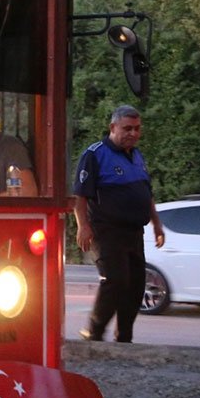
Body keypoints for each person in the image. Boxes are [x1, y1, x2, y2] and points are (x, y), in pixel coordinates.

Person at [73, 105, 165, 343]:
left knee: (135, 286)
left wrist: (156, 224)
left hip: (134, 231)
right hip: (106, 230)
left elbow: (147, 193)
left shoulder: (136, 155)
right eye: (127, 128)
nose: (133, 133)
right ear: (113, 127)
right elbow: (80, 196)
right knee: (116, 280)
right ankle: (94, 332)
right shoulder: (94, 154)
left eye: (137, 129)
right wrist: (82, 225)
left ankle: (124, 337)